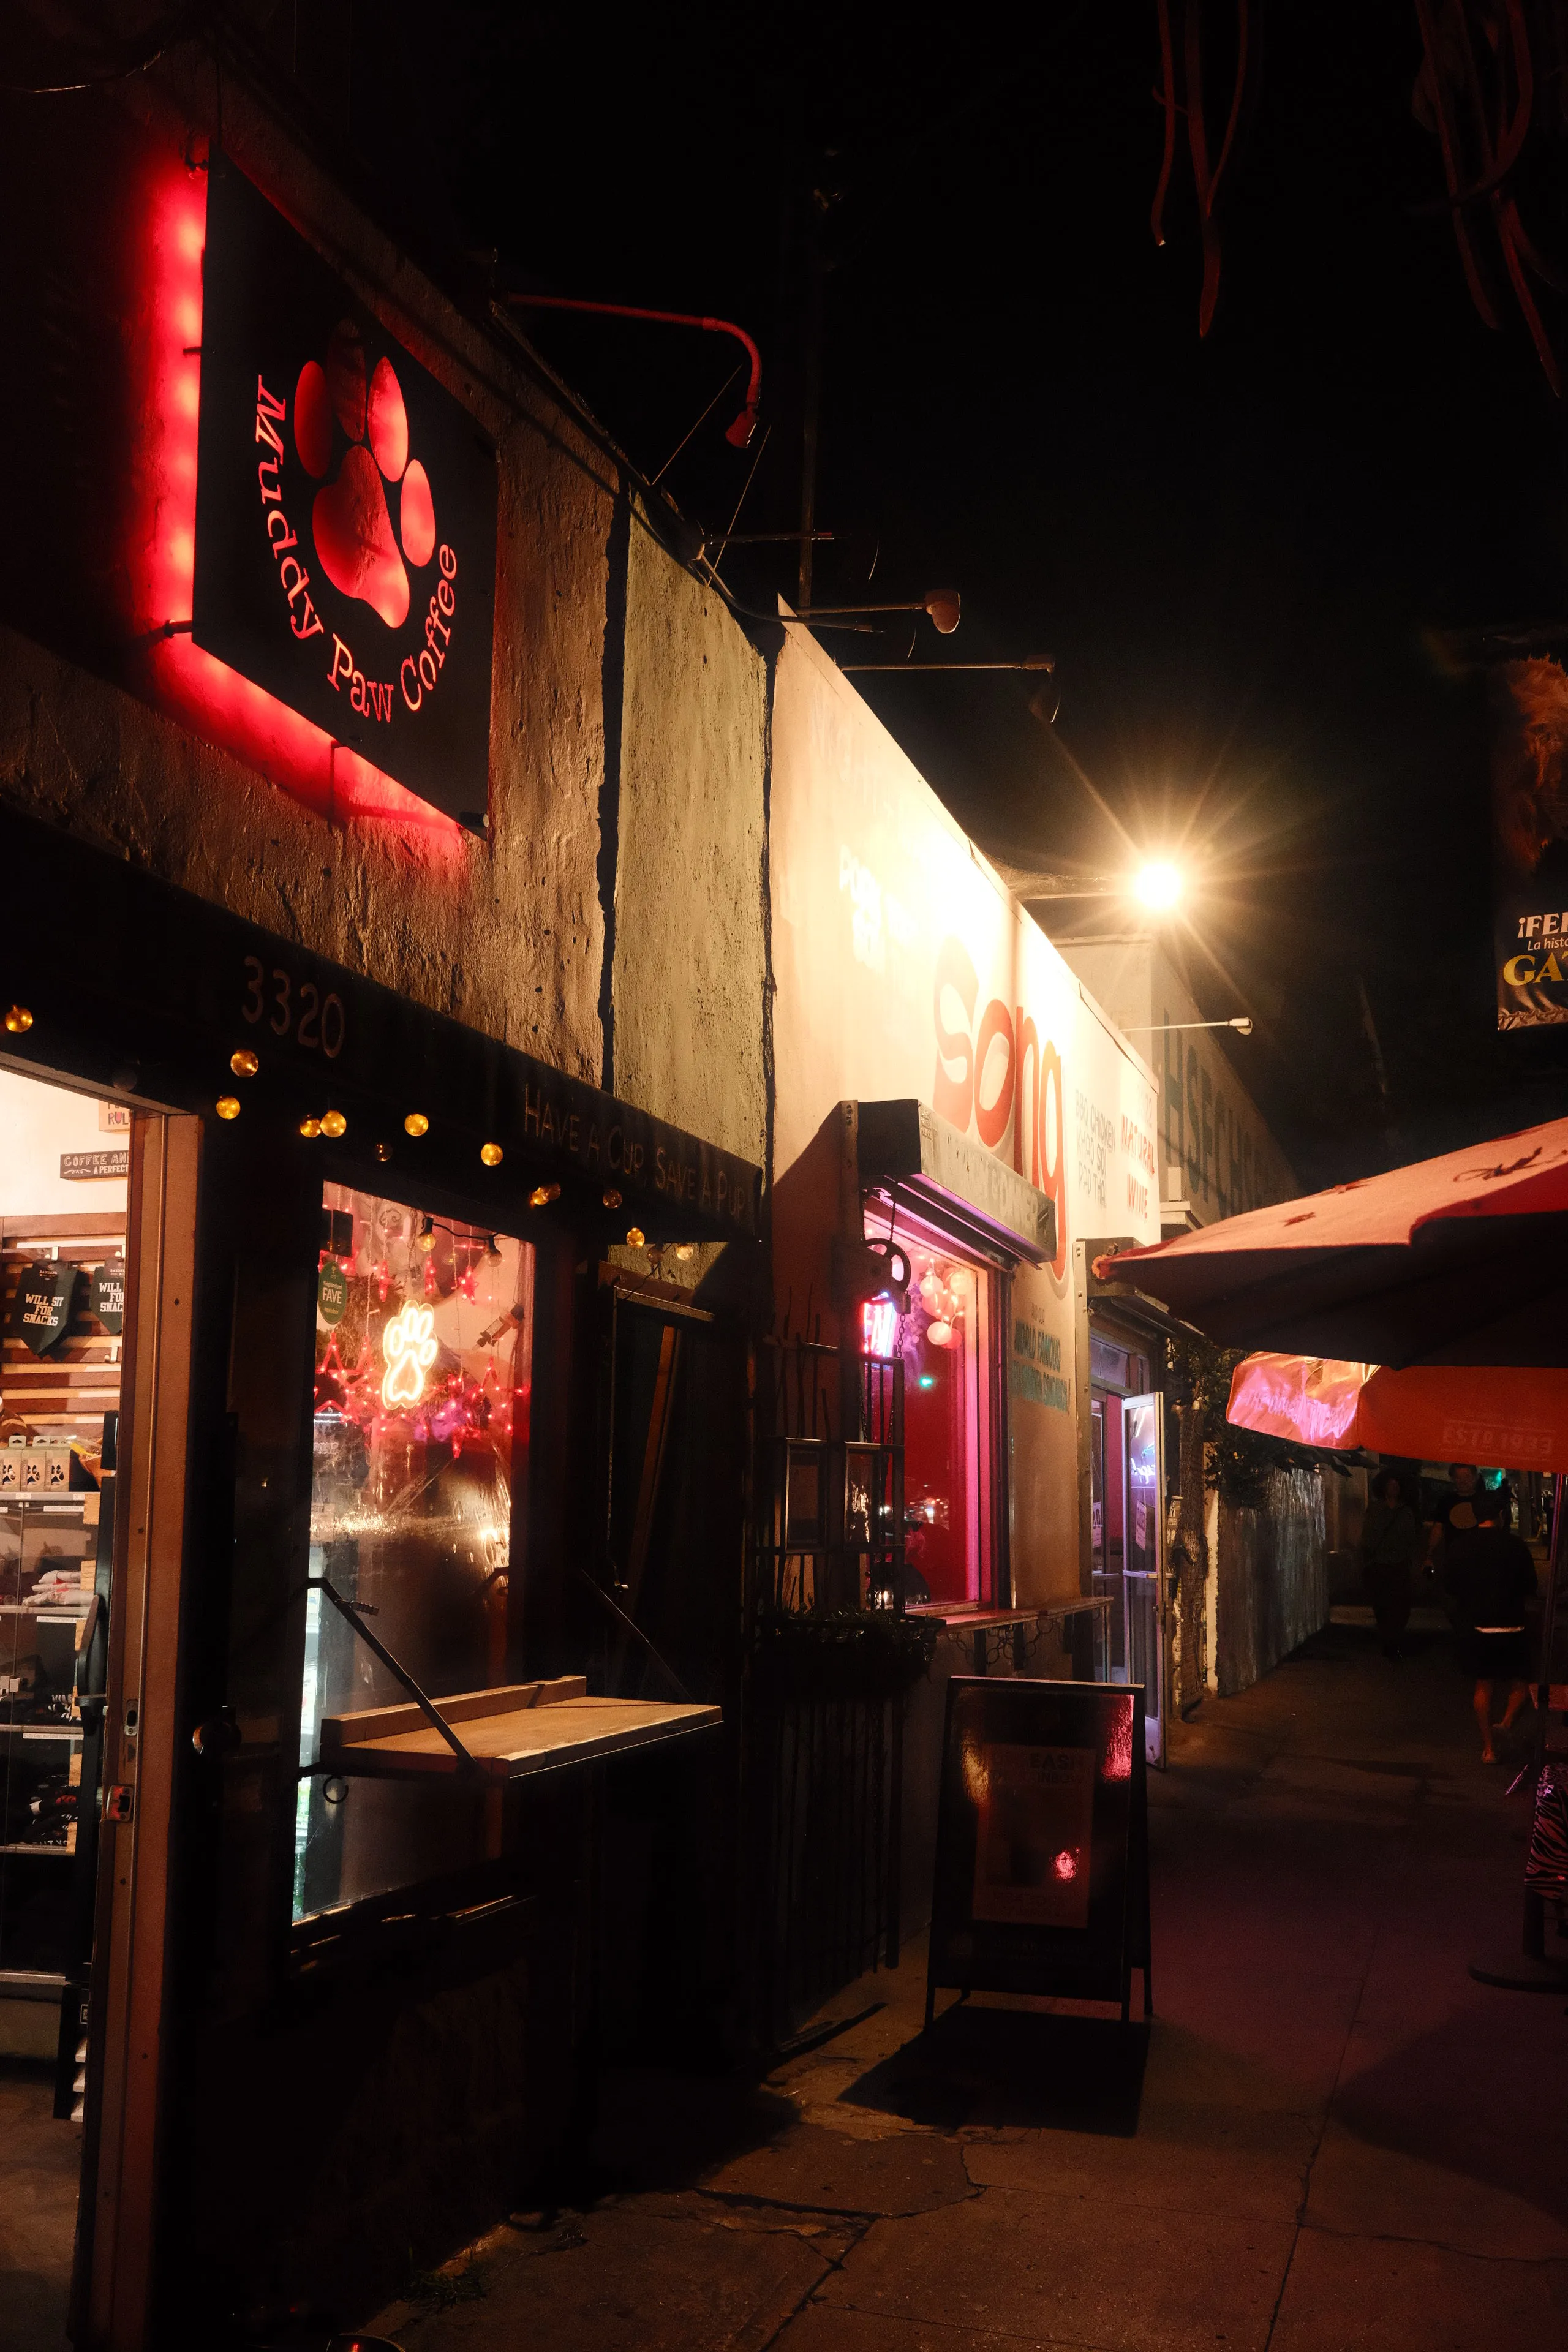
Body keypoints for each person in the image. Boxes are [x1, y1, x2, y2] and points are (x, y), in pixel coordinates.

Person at [1443, 1490, 1538, 1763]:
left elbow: (1450, 1586)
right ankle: (1506, 1722)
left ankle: (1488, 1749)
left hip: (1478, 1626)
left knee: (1483, 1686)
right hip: (1513, 1625)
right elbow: (1530, 1585)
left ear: (1474, 1516)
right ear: (1500, 1514)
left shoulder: (1461, 1546)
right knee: (1521, 1682)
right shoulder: (1516, 1546)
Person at [1359, 1468, 1424, 1657]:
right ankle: (1389, 1640)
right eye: (1390, 1485)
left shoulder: (1406, 1511)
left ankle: (1393, 1639)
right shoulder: (1376, 1509)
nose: (1393, 1489)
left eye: (1396, 1486)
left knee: (1400, 1606)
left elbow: (1412, 1537)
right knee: (1382, 1605)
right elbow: (1368, 1535)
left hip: (1399, 1565)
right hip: (1379, 1564)